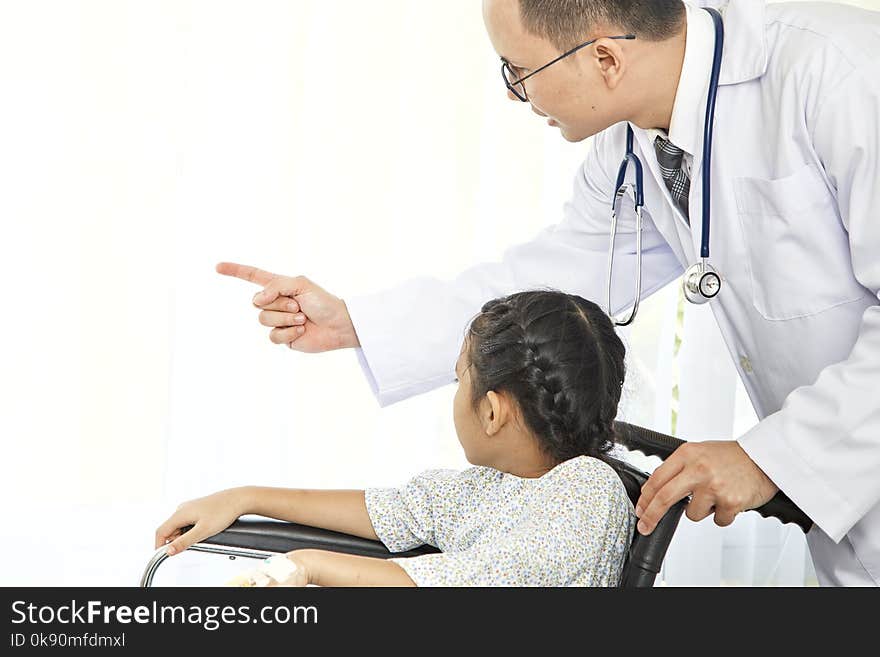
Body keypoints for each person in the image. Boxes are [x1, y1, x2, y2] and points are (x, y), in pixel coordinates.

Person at [213, 0, 880, 587]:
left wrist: (770, 455)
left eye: (518, 70)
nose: (514, 94)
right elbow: (544, 285)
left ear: (605, 59)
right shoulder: (635, 143)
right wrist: (356, 322)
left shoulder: (842, 75)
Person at [156, 291, 637, 586]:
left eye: (457, 380)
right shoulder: (502, 484)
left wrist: (308, 564)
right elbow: (395, 511)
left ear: (491, 411)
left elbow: (473, 581)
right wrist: (243, 498)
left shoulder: (587, 490)